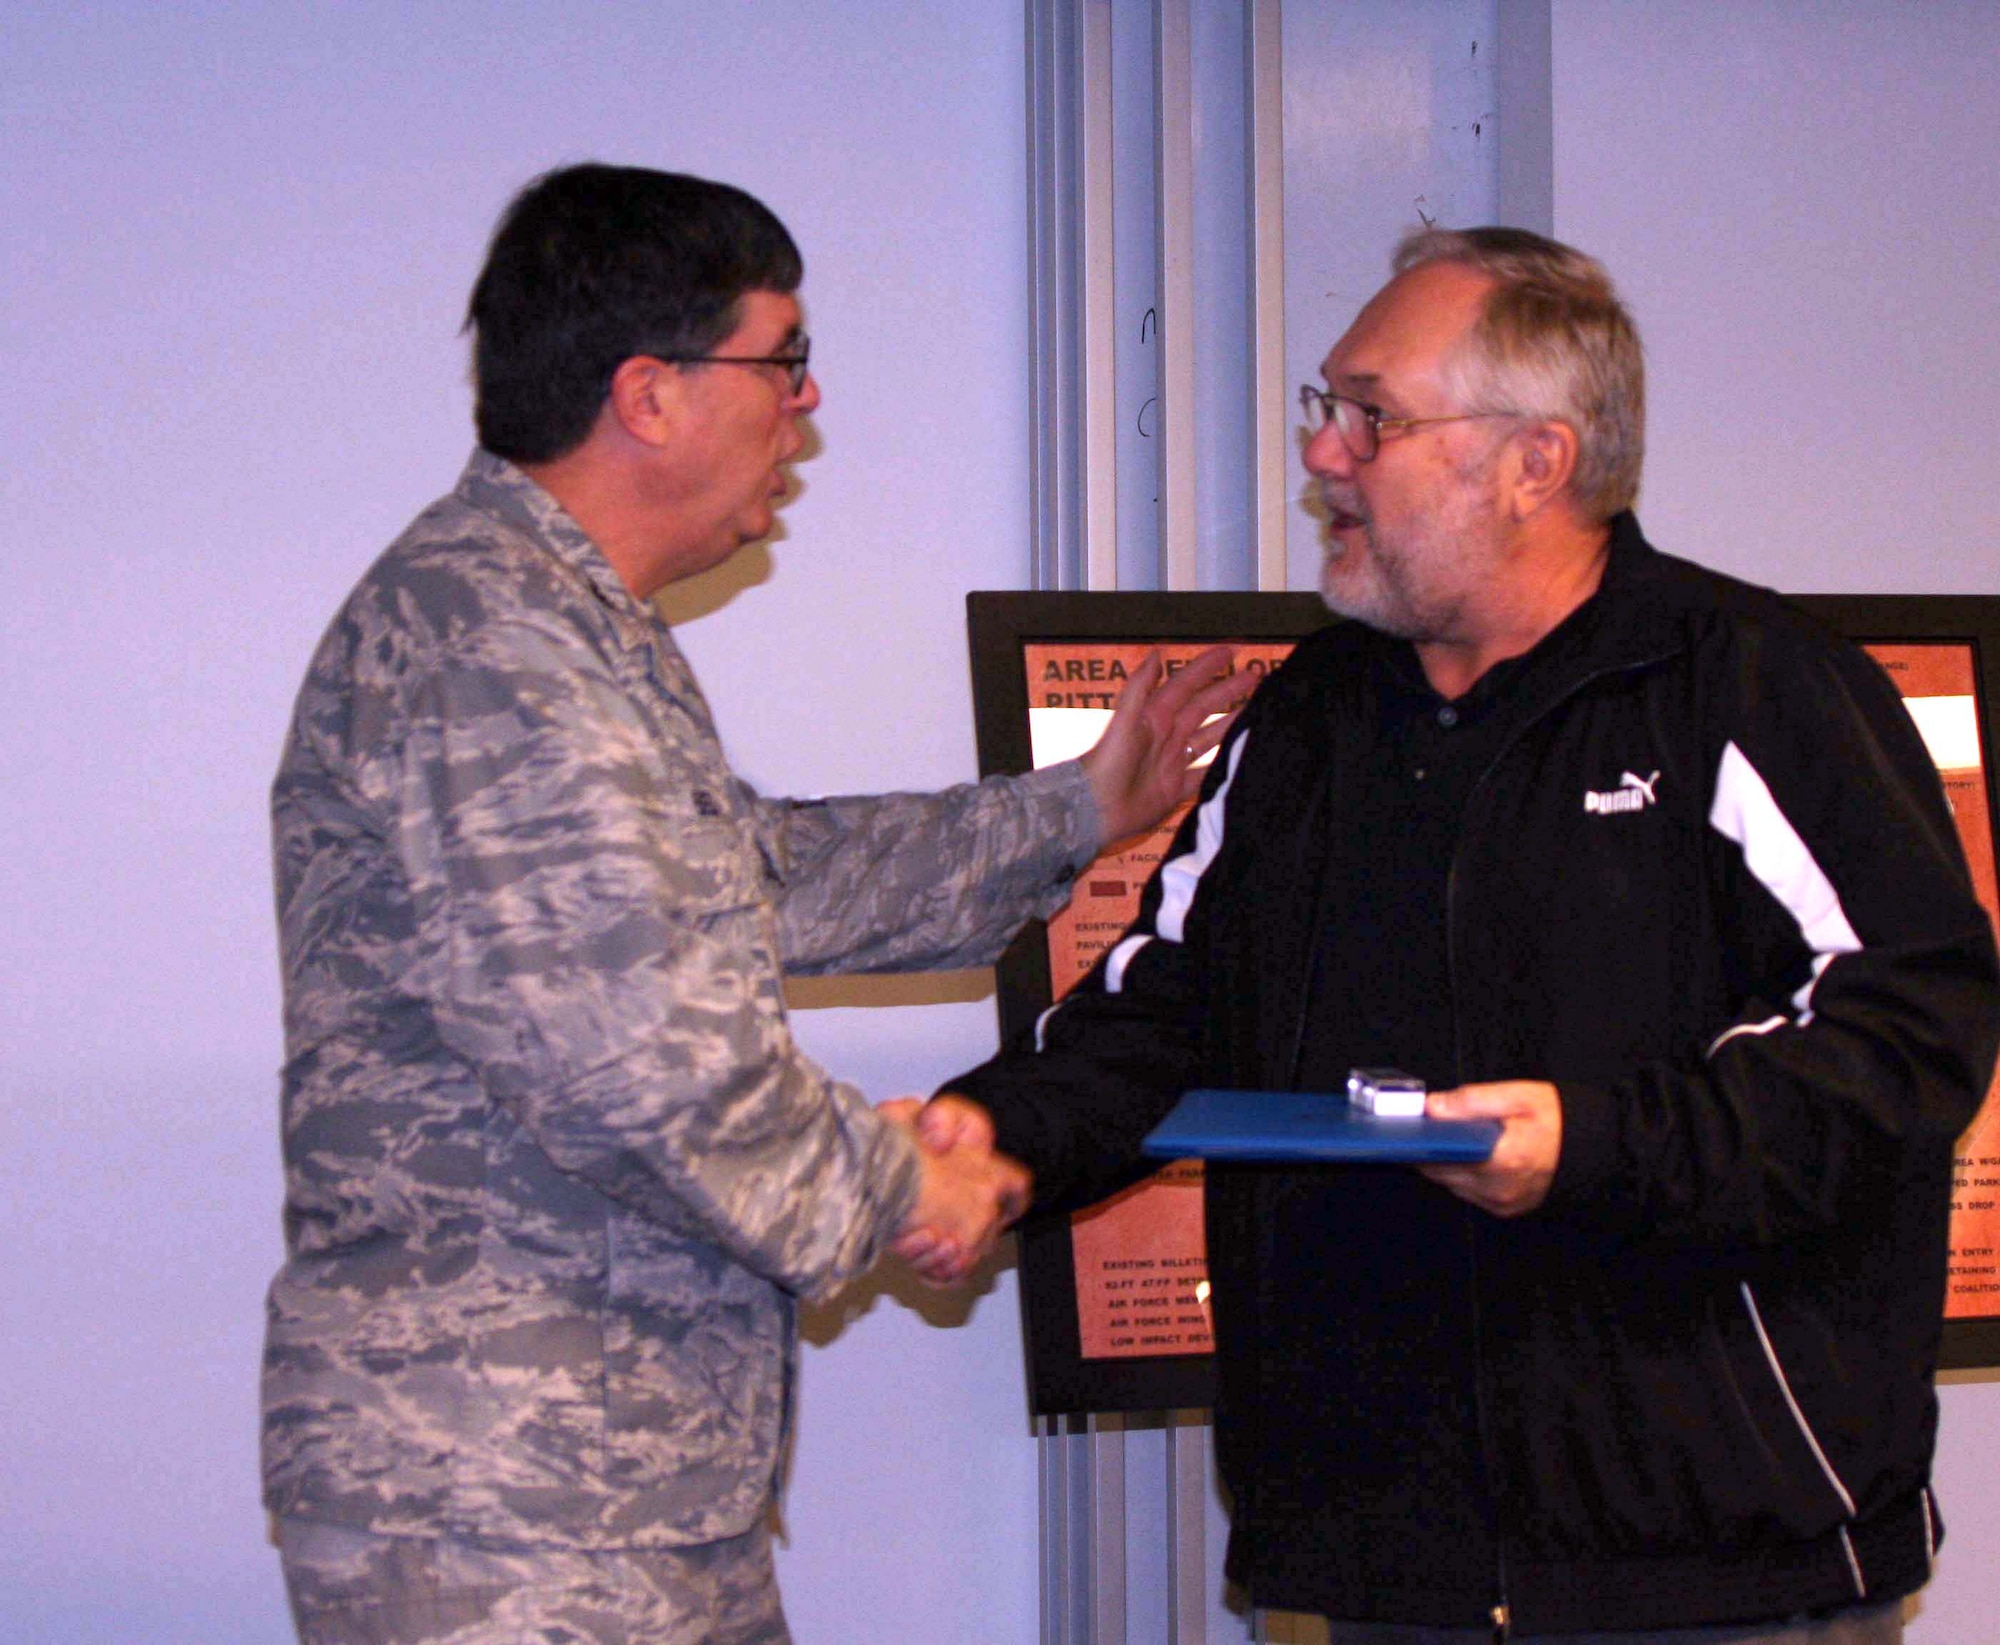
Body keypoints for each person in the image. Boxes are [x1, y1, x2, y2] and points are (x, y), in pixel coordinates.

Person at [919, 228, 2000, 1642]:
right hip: (1379, 1559)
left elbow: (1904, 1036)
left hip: (1710, 1570)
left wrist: (1590, 1145)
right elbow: (1164, 1006)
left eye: (1371, 415)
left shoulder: (1750, 689)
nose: (1324, 454)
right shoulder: (1309, 720)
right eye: (1328, 408)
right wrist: (996, 1143)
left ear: (1534, 463)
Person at [260, 161, 1246, 1645]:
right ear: (648, 392)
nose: (808, 405)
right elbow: (642, 1070)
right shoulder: (495, 647)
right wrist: (910, 1180)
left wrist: (1078, 811)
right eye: (782, 362)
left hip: (615, 1491)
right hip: (510, 1512)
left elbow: (750, 874)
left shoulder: (565, 626)